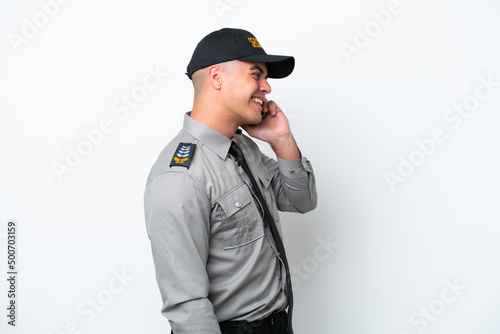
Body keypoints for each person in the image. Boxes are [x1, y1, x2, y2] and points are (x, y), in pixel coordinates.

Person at [144, 28, 317, 334]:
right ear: (216, 78)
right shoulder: (179, 176)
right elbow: (187, 306)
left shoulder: (243, 147)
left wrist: (282, 140)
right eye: (256, 74)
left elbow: (300, 200)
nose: (266, 87)